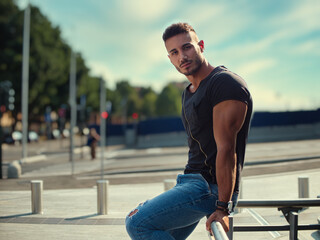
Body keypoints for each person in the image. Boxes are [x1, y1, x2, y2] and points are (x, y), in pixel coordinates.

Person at [126, 22, 253, 239]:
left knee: (137, 224)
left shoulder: (224, 84)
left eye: (187, 47)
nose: (181, 56)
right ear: (170, 58)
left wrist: (222, 207)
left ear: (200, 45)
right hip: (190, 181)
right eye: (174, 52)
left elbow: (226, 149)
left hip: (207, 187)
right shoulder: (189, 92)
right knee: (155, 227)